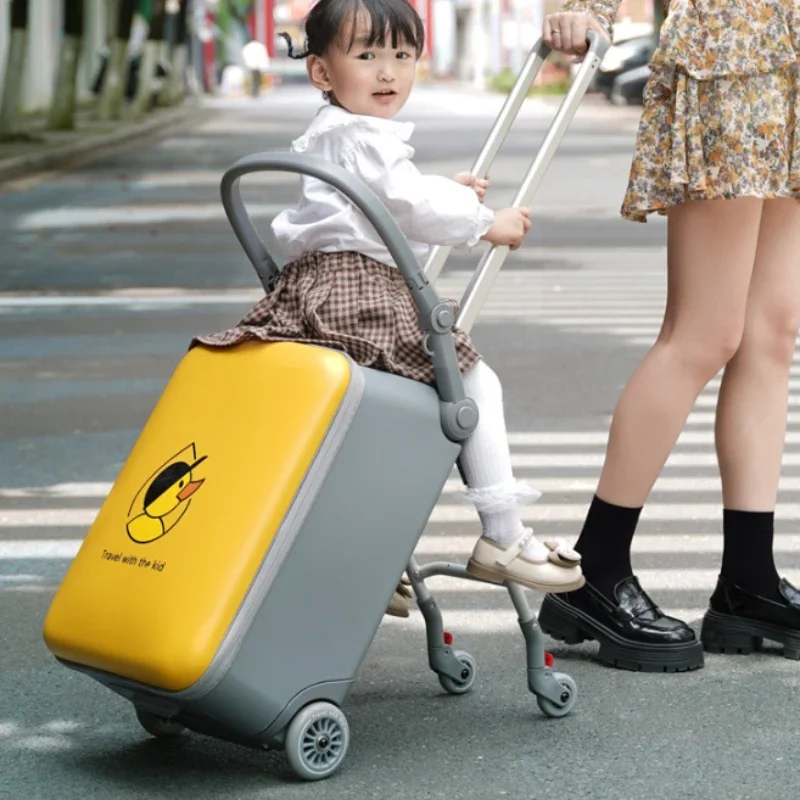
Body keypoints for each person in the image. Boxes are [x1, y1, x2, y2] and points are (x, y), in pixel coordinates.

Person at [192, 0, 585, 616]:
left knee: (366, 422)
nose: (387, 73)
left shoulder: (335, 130)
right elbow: (405, 204)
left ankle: (359, 553)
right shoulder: (361, 133)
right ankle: (504, 534)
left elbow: (385, 204)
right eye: (367, 55)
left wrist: (442, 193)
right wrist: (485, 222)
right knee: (474, 382)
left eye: (402, 56)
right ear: (322, 73)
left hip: (318, 288)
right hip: (361, 288)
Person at [537, 0, 800, 672]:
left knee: (772, 333)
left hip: (790, 54)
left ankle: (748, 581)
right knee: (703, 333)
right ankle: (595, 567)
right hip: (732, 52)